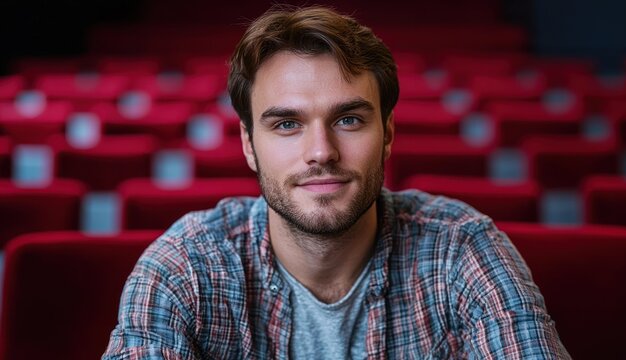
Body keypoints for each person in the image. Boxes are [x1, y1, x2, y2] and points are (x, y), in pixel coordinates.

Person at [103, 5, 570, 359]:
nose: (321, 151)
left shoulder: (460, 246)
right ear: (248, 144)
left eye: (348, 119)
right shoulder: (186, 263)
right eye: (286, 124)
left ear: (386, 134)